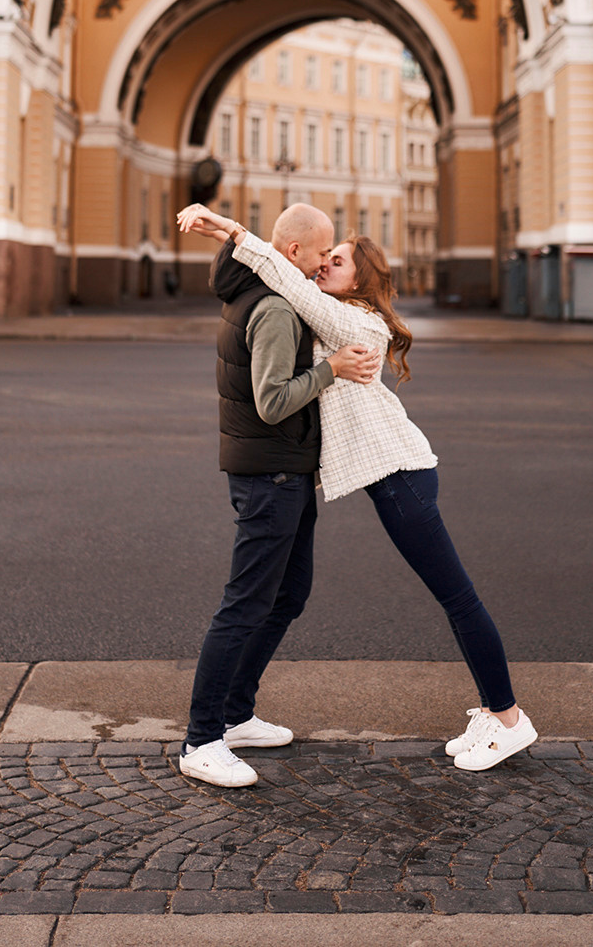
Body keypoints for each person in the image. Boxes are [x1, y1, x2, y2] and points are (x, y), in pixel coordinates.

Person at [178, 201, 537, 774]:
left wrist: (233, 231)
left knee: (458, 598)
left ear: (359, 280)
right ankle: (229, 719)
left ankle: (508, 719)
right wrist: (230, 238)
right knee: (435, 597)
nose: (325, 265)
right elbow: (287, 279)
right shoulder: (325, 311)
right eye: (324, 255)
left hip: (402, 478)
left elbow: (285, 276)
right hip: (380, 479)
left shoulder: (359, 322)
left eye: (337, 260)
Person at [179, 204, 379, 789]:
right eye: (320, 253)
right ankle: (201, 739)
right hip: (271, 475)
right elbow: (271, 403)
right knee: (245, 605)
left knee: (288, 594)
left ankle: (235, 715)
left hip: (284, 471)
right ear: (292, 252)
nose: (323, 265)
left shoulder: (271, 295)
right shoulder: (273, 308)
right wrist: (332, 369)